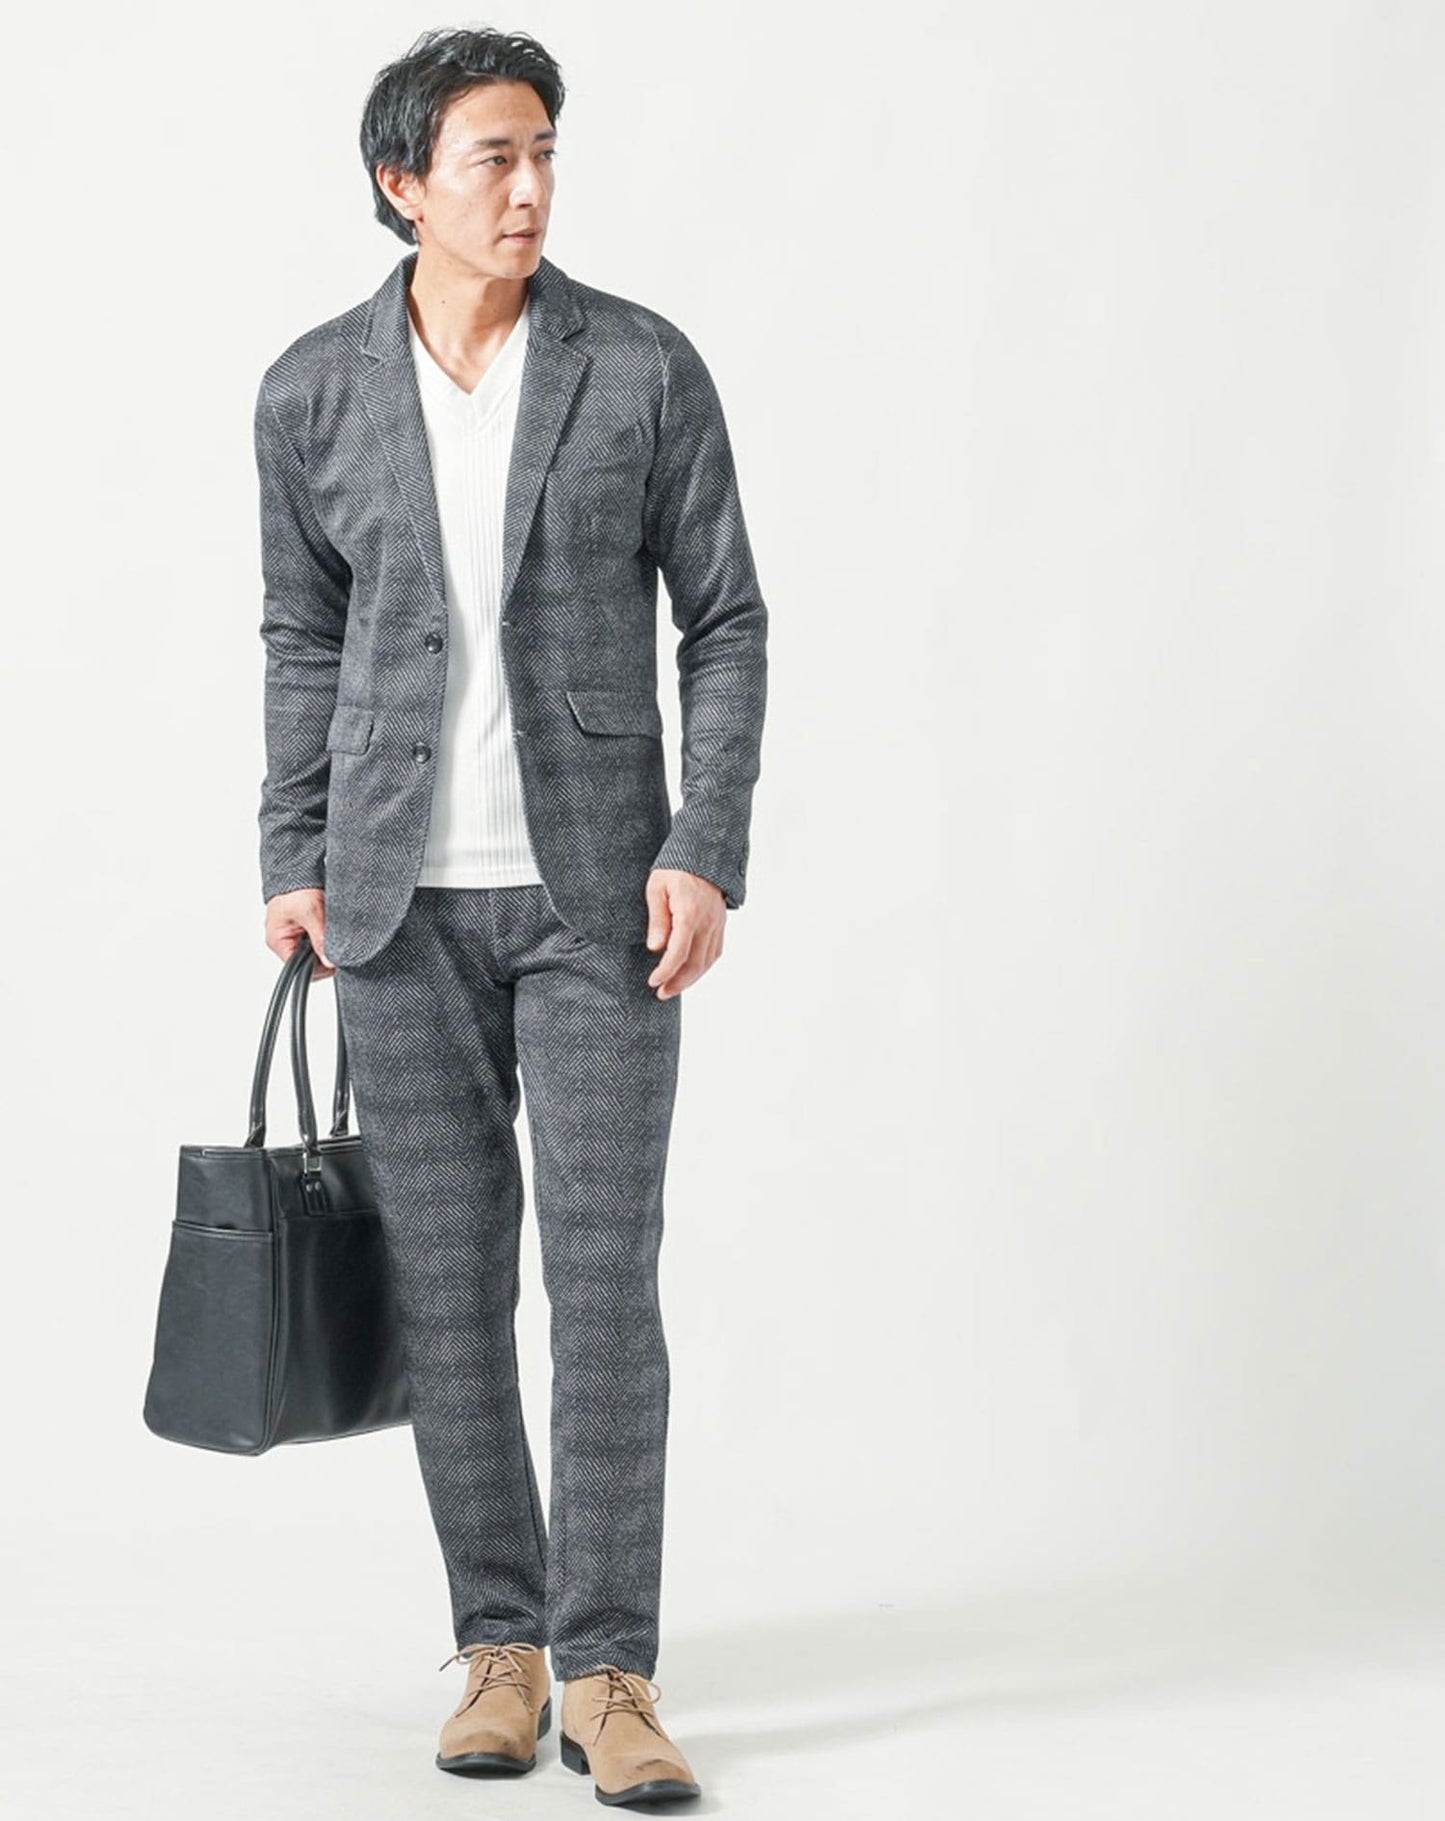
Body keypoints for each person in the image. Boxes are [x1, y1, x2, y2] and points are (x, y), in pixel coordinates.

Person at [252, 24, 767, 1808]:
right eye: (494, 157)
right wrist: (292, 848)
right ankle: (499, 1644)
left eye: (545, 151)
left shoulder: (639, 366)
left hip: (598, 900)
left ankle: (610, 1668)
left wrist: (703, 842)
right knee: (451, 1290)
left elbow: (724, 617)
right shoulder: (311, 391)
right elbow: (301, 632)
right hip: (393, 905)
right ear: (403, 183)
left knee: (603, 1283)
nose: (532, 185)